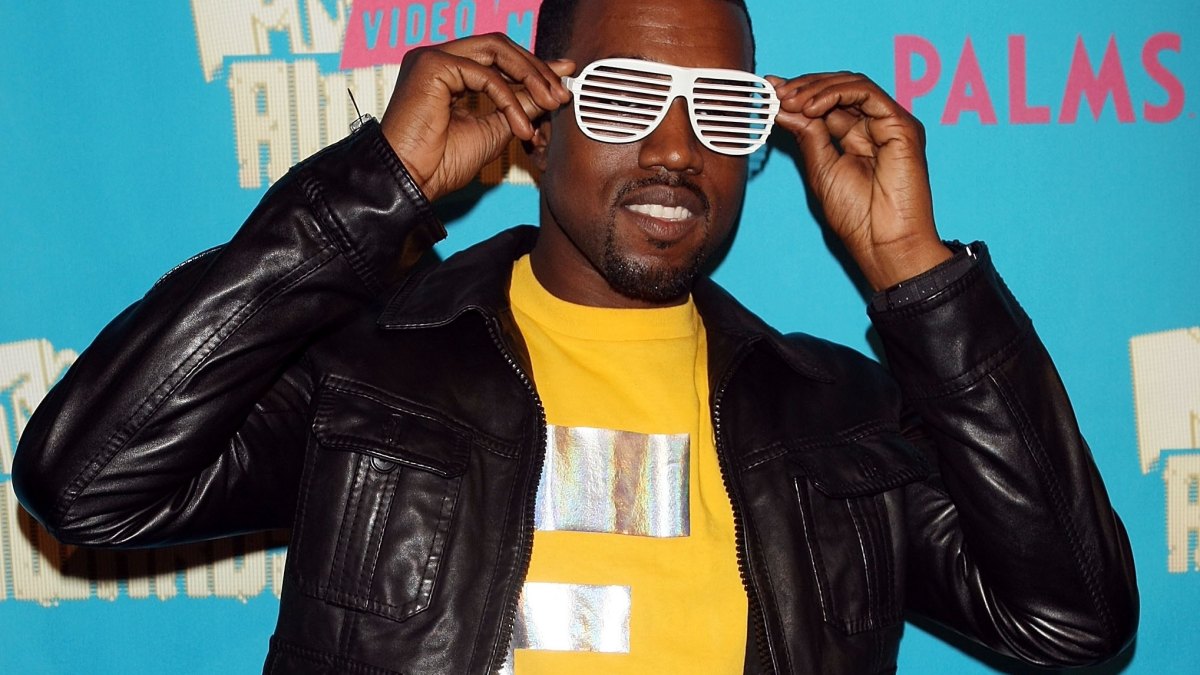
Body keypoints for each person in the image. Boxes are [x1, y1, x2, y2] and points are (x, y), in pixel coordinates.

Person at [13, 0, 1137, 672]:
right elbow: (87, 482)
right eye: (626, 96)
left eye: (723, 107)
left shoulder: (837, 417)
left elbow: (1073, 619)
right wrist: (378, 188)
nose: (677, 148)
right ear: (535, 121)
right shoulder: (371, 371)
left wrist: (916, 273)